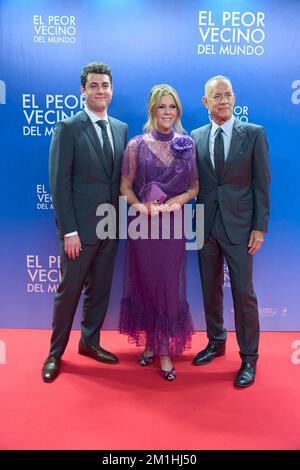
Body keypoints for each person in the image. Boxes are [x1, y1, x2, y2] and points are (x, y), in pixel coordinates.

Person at [42, 62, 128, 382]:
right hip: (80, 232)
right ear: (83, 90)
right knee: (69, 292)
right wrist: (70, 231)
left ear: (112, 89)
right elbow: (59, 184)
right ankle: (55, 354)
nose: (100, 91)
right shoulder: (68, 128)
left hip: (112, 228)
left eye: (105, 85)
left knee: (100, 290)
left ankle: (89, 342)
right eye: (93, 86)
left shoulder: (120, 128)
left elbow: (120, 180)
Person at [191, 75, 270, 387]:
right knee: (210, 289)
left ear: (234, 98)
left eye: (227, 95)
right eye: (216, 96)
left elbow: (261, 186)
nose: (222, 100)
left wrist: (259, 228)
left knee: (243, 293)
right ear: (205, 102)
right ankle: (215, 341)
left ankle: (249, 358)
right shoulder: (194, 137)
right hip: (204, 225)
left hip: (239, 228)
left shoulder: (253, 134)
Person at [119, 84, 199, 381]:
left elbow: (194, 188)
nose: (168, 112)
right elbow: (124, 186)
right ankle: (151, 343)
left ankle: (165, 349)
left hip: (173, 225)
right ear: (152, 109)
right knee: (146, 282)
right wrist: (139, 206)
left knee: (167, 284)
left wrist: (174, 203)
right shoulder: (136, 145)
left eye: (172, 107)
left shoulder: (187, 144)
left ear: (178, 111)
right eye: (162, 106)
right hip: (142, 226)